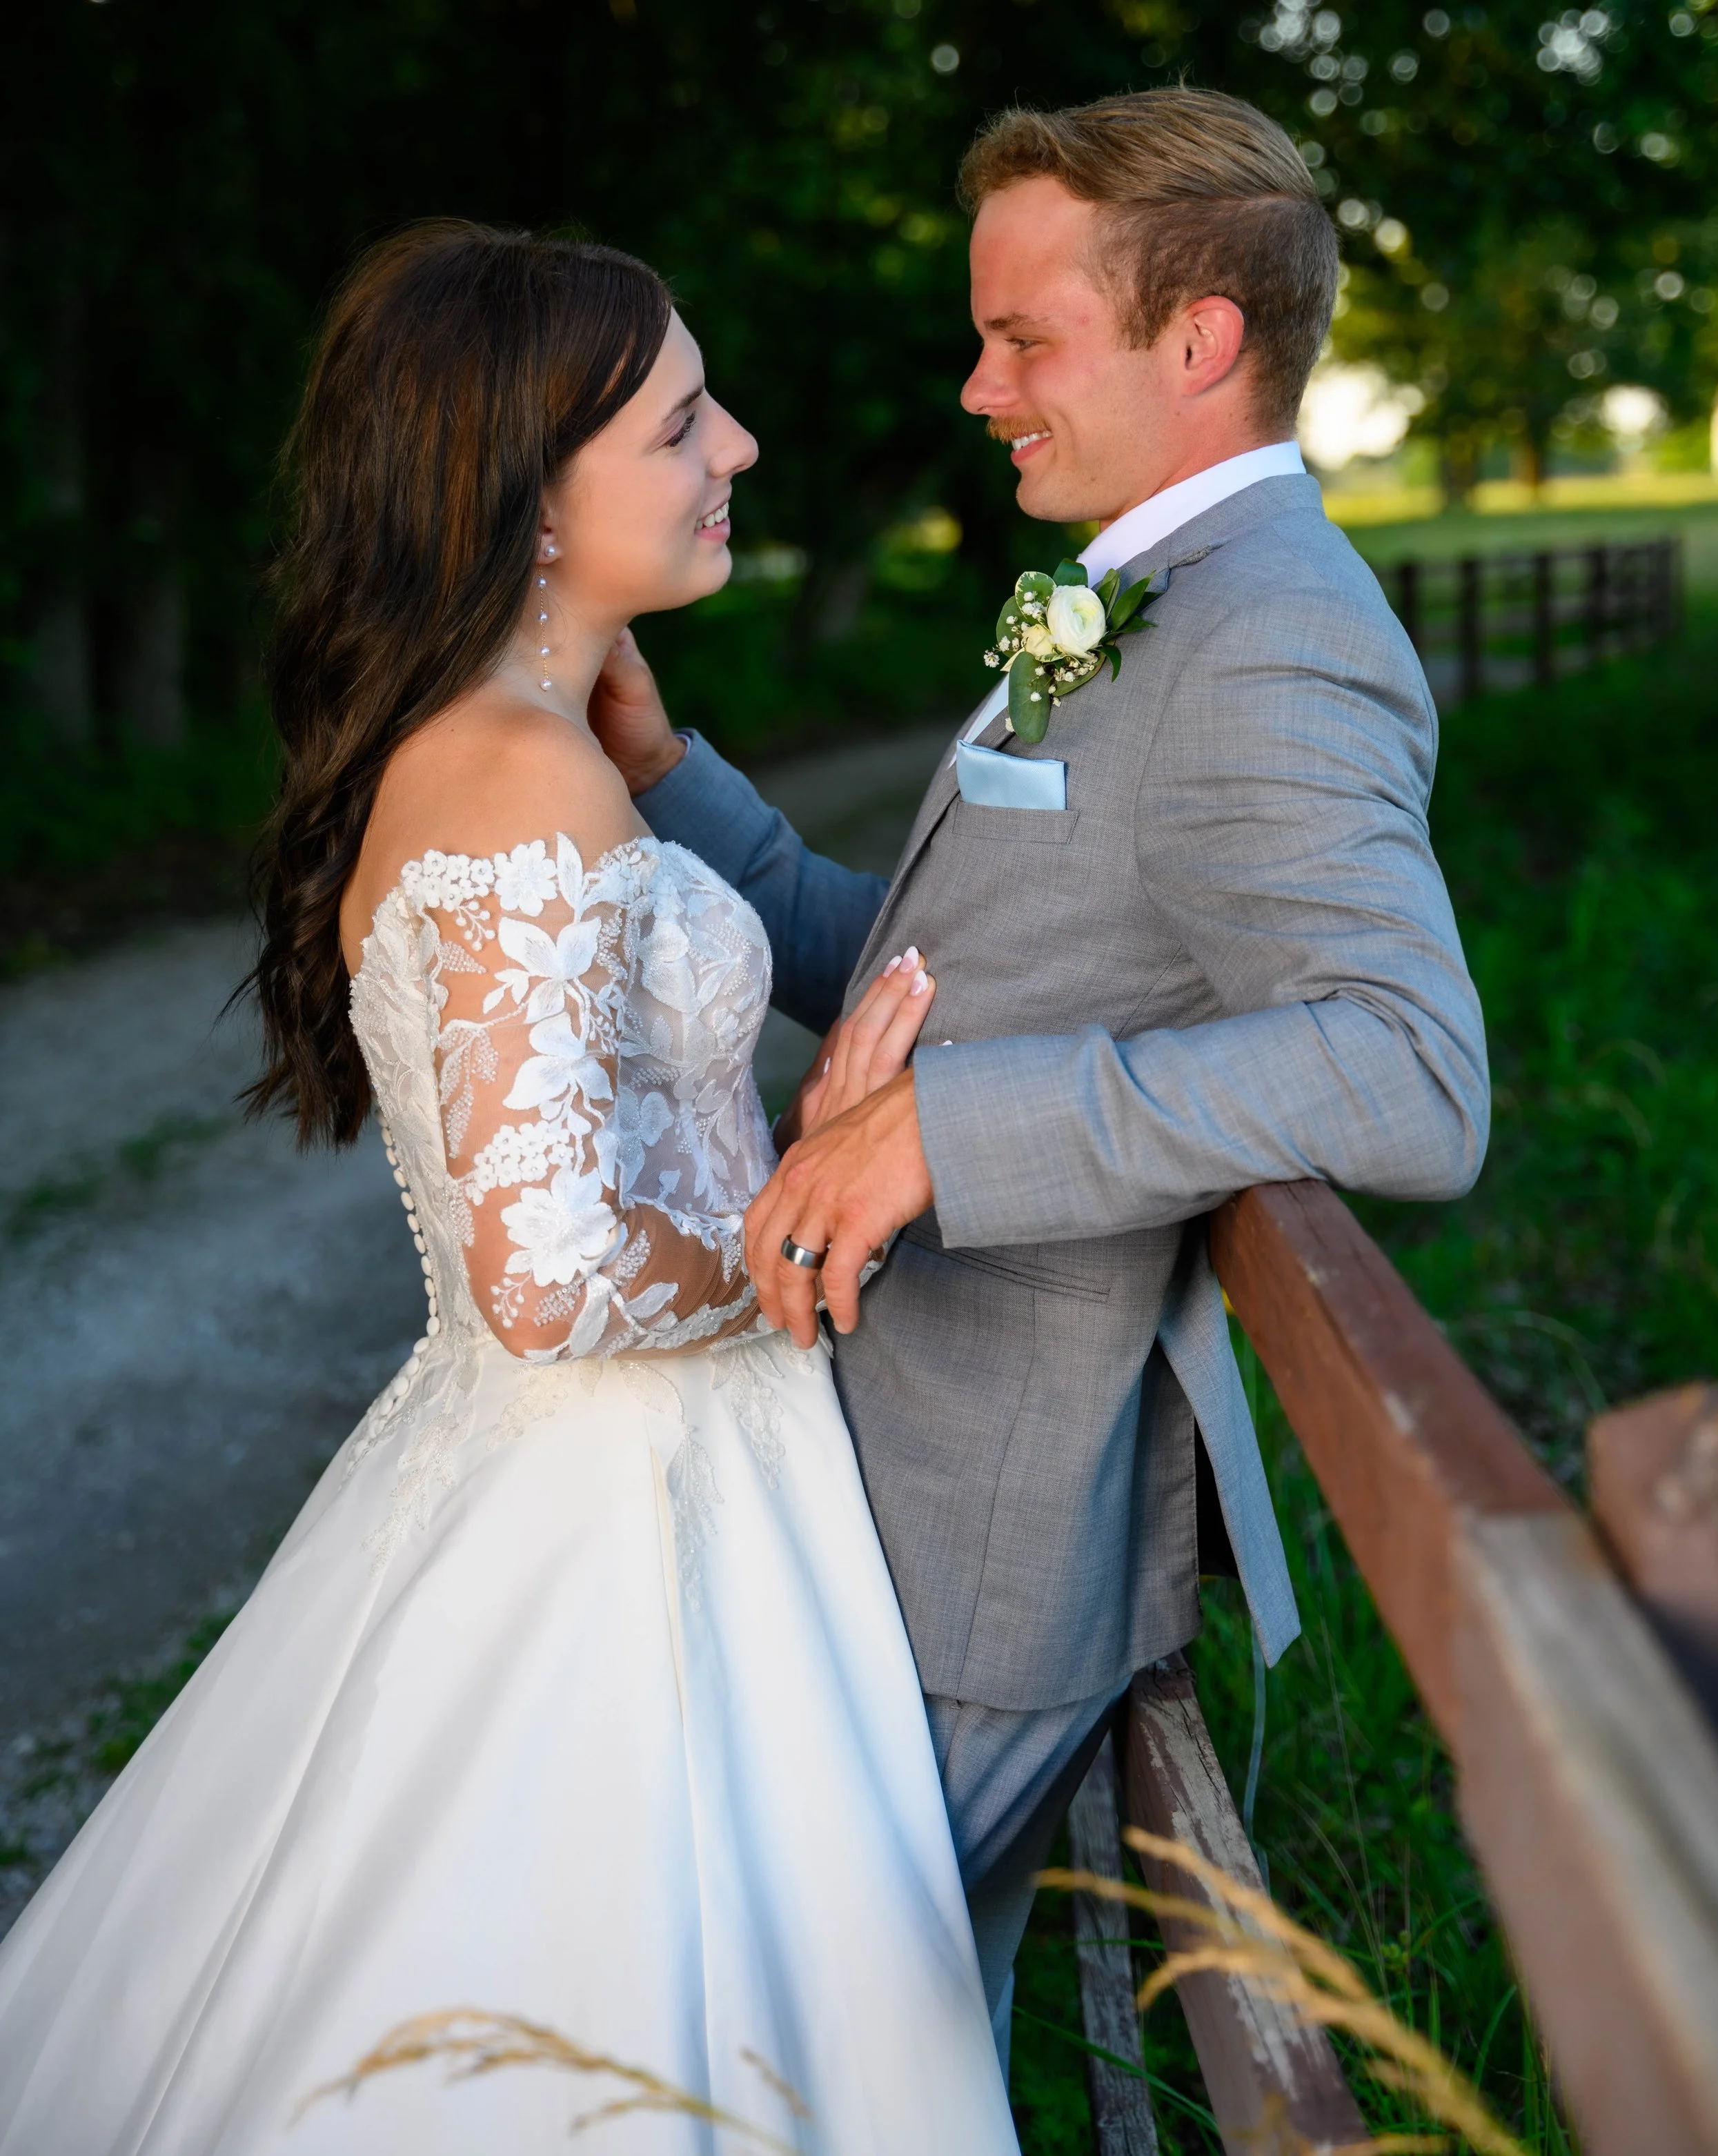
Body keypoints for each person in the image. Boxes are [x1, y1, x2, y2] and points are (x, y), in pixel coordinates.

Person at [0, 224, 1019, 2154]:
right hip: (608, 1514)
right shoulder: (513, 773)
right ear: (525, 496)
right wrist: (813, 1196)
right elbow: (544, 1272)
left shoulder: (543, 749)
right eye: (681, 422)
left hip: (661, 1471)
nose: (741, 448)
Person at [590, 88, 1490, 2066]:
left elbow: (1412, 1072)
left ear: (1198, 341)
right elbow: (943, 964)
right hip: (884, 1478)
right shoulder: (1125, 597)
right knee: (845, 2071)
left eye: (1025, 338)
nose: (978, 385)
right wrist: (675, 782)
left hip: (977, 1538)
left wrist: (948, 1133)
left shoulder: (1269, 636)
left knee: (773, 2069)